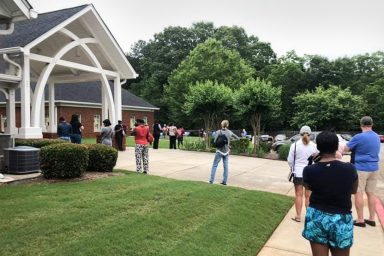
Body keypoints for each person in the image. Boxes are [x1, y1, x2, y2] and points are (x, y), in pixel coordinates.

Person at [302, 131, 358, 256]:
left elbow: (308, 187)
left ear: (318, 147)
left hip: (317, 216)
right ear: (336, 146)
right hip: (341, 218)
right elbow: (353, 190)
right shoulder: (350, 169)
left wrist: (316, 162)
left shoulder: (309, 170)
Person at [344, 116, 380, 227]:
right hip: (374, 168)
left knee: (358, 192)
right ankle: (372, 218)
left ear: (361, 125)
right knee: (371, 194)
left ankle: (360, 219)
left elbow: (345, 149)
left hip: (361, 168)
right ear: (372, 124)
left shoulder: (358, 137)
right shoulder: (377, 137)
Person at [287, 125, 317, 222]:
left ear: (300, 134)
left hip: (298, 173)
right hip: (311, 174)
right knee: (308, 196)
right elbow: (317, 160)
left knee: (298, 195)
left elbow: (290, 160)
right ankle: (309, 217)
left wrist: (292, 168)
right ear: (310, 134)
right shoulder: (314, 146)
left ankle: (298, 216)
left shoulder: (294, 145)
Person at [209, 120, 239, 185]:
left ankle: (211, 180)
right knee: (226, 167)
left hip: (219, 151)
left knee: (214, 165)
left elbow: (214, 141)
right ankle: (224, 182)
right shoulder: (230, 132)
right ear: (227, 125)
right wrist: (230, 140)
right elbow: (238, 138)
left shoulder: (218, 132)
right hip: (227, 151)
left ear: (221, 125)